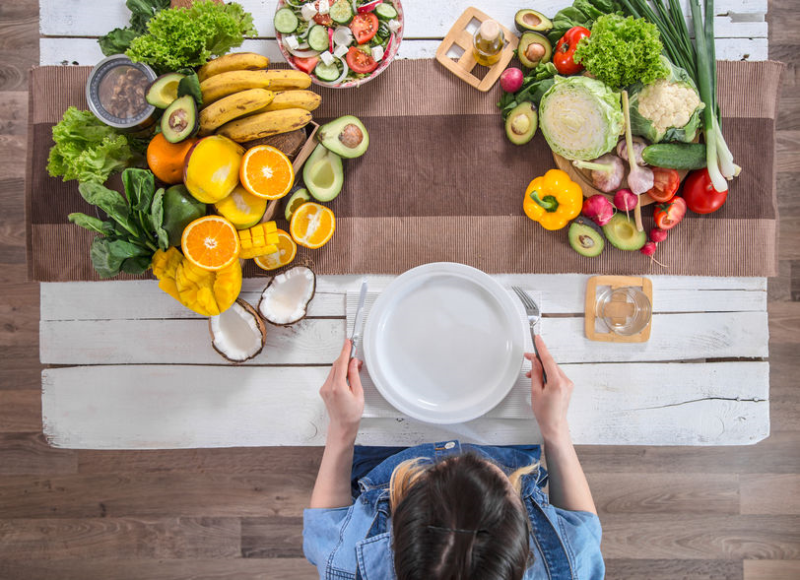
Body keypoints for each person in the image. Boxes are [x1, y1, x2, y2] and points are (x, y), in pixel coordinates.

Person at [303, 336, 604, 580]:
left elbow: (327, 521)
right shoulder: (573, 567)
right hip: (511, 451)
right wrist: (555, 429)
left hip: (382, 468)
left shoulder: (346, 567)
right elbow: (579, 523)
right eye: (493, 478)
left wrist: (342, 429)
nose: (459, 454)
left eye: (437, 472)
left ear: (396, 539)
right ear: (526, 549)